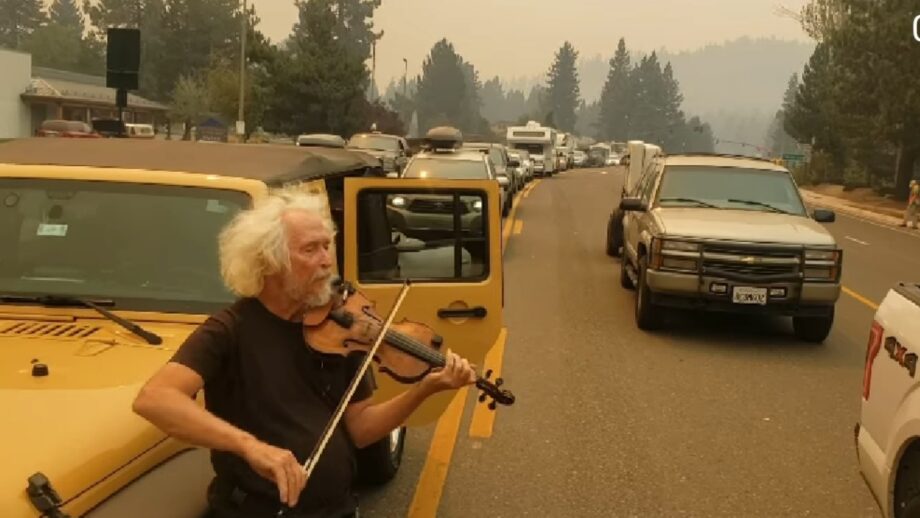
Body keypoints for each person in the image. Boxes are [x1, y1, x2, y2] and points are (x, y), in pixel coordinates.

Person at [132, 188, 476, 517]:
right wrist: (250, 446)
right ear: (270, 261)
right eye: (311, 250)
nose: (327, 262)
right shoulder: (230, 329)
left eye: (328, 247)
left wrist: (425, 388)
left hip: (338, 509)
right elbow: (155, 398)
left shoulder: (342, 327)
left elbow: (361, 429)